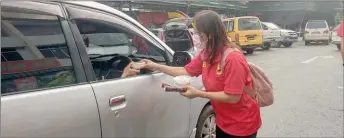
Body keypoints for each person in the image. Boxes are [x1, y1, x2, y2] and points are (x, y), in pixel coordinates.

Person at [140, 10, 261, 138]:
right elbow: (185, 70)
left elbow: (233, 97)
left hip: (242, 124)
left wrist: (198, 93)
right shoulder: (207, 54)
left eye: (198, 33)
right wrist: (154, 65)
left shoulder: (233, 58)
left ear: (209, 34)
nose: (195, 36)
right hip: (222, 121)